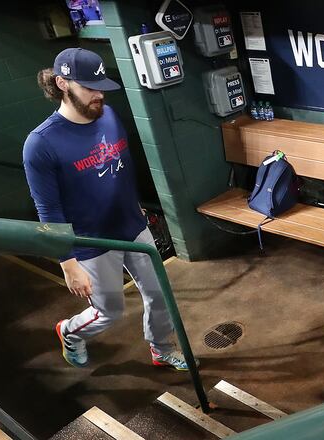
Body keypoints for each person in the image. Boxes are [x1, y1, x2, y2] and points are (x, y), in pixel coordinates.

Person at [22, 48, 197, 371]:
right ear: (62, 83)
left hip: (131, 226)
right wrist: (68, 262)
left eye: (101, 86)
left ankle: (160, 348)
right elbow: (47, 208)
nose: (98, 95)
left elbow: (121, 167)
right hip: (92, 242)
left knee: (160, 295)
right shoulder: (41, 144)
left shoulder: (108, 115)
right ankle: (70, 331)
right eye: (89, 87)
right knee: (109, 311)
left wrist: (135, 206)